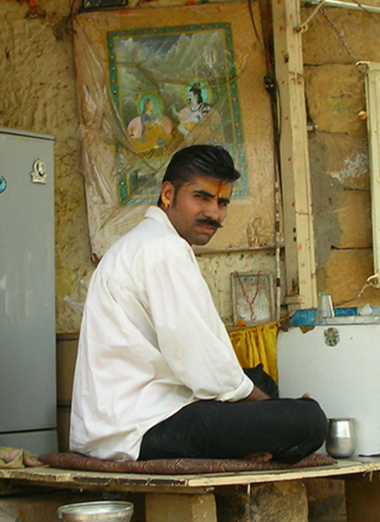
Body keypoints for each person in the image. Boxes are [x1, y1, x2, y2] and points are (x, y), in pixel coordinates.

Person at [70, 145, 326, 462]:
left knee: (259, 381)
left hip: (133, 417)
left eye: (222, 202)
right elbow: (198, 359)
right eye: (201, 197)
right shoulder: (164, 250)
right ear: (168, 193)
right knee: (309, 420)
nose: (214, 213)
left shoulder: (149, 242)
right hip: (141, 429)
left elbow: (204, 365)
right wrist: (270, 410)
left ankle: (261, 440)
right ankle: (267, 442)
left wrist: (262, 402)